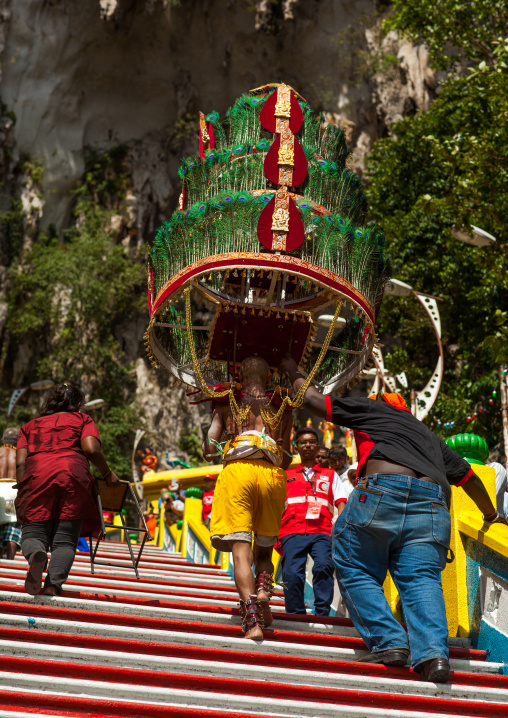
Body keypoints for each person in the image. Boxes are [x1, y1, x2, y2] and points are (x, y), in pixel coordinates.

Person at [280, 355, 507, 683]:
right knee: (421, 579)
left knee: (352, 562)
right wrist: (492, 516)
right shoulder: (428, 436)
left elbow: (314, 400)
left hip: (382, 490)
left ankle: (390, 642)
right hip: (432, 504)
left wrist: (289, 368)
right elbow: (470, 478)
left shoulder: (375, 409)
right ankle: (434, 656)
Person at [203, 356, 292, 640]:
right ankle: (264, 588)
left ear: (240, 376)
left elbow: (208, 449)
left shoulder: (225, 402)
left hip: (238, 473)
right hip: (271, 475)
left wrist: (220, 426)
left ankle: (252, 621)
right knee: (264, 551)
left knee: (241, 550)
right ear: (269, 378)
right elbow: (287, 458)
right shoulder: (282, 406)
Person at [15, 383, 119, 597]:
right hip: (73, 476)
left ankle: (37, 554)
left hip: (37, 476)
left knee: (33, 533)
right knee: (65, 539)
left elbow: (20, 464)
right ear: (78, 403)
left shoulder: (29, 426)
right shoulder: (83, 420)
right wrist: (108, 474)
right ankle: (53, 586)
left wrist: (23, 489)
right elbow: (91, 448)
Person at [279, 428, 347, 616]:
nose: (307, 445)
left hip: (323, 531)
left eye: (311, 442)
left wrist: (338, 527)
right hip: (292, 531)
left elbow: (341, 501)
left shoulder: (331, 475)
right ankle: (295, 614)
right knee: (292, 574)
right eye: (303, 442)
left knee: (324, 566)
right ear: (296, 448)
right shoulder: (286, 475)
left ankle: (323, 613)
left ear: (318, 447)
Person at [0, 428, 22, 559]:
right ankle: (10, 560)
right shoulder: (19, 455)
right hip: (12, 493)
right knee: (11, 526)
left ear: (2, 440)